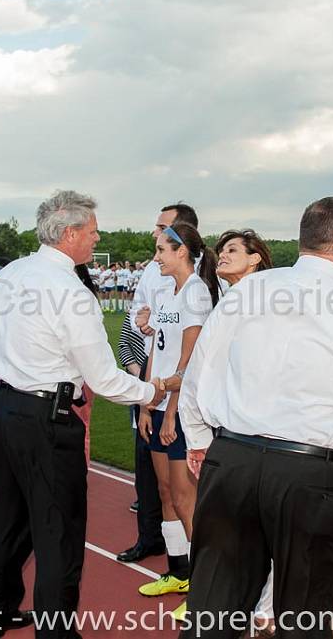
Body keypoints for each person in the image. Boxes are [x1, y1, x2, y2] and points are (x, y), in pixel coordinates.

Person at [178, 197, 333, 638]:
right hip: (312, 475)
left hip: (233, 460)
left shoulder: (249, 291)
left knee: (213, 608)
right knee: (305, 616)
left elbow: (199, 373)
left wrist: (197, 438)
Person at [0, 190, 166, 639]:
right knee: (57, 530)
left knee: (4, 518)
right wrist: (151, 392)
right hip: (46, 417)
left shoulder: (10, 275)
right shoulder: (71, 291)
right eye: (93, 230)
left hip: (4, 408)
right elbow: (102, 378)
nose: (97, 236)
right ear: (69, 233)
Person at [136, 222, 220, 616]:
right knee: (166, 492)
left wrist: (171, 411)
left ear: (182, 251)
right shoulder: (167, 293)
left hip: (184, 410)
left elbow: (189, 361)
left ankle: (205, 591)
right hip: (161, 402)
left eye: (161, 251)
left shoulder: (196, 293)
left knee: (187, 500)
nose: (156, 258)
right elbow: (158, 353)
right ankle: (178, 570)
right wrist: (145, 404)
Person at [213, 229, 275, 635]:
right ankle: (255, 608)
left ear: (255, 259)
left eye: (233, 249)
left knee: (266, 530)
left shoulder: (266, 300)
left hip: (265, 434)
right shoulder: (229, 301)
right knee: (241, 530)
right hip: (233, 432)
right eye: (220, 250)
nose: (222, 254)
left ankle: (265, 610)